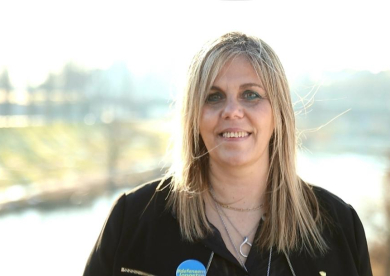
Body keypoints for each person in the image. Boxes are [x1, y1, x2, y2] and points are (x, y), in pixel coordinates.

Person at [83, 32, 373, 276]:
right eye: (214, 96)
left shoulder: (338, 227)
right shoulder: (133, 221)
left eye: (251, 95)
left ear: (278, 114)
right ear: (194, 117)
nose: (232, 110)